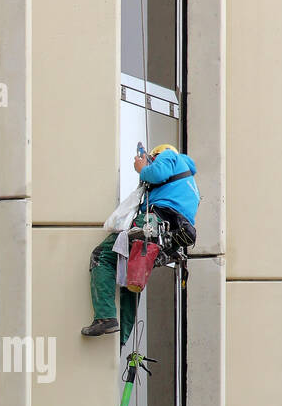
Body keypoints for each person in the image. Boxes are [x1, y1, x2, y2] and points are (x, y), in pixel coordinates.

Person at [82, 143, 199, 343]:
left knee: (102, 255)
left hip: (154, 222)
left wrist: (142, 167)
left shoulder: (169, 156)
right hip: (169, 239)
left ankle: (105, 316)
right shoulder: (189, 184)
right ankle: (123, 340)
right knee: (132, 278)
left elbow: (156, 173)